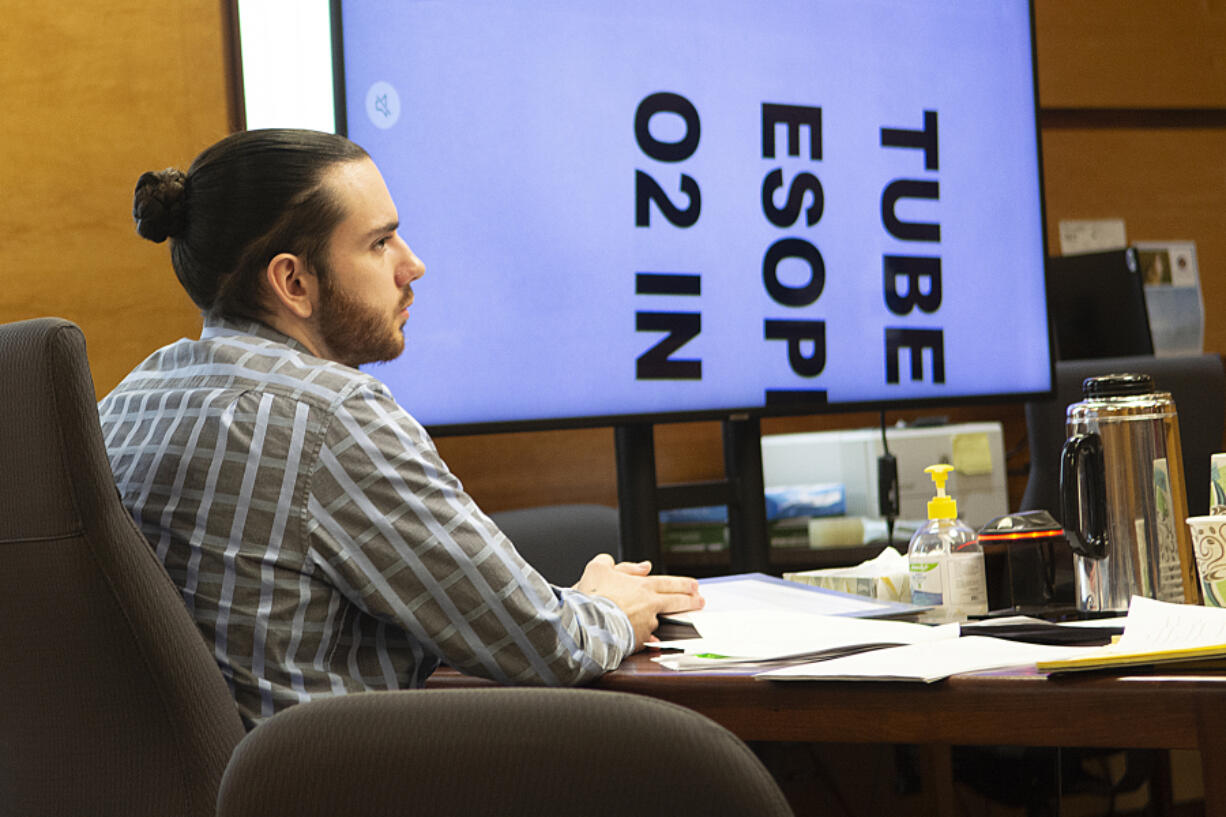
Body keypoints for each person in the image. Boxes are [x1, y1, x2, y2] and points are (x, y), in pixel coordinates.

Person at [98, 128, 703, 728]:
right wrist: (609, 607)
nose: (413, 264)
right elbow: (547, 646)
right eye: (380, 242)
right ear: (294, 283)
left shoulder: (123, 403)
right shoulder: (332, 415)